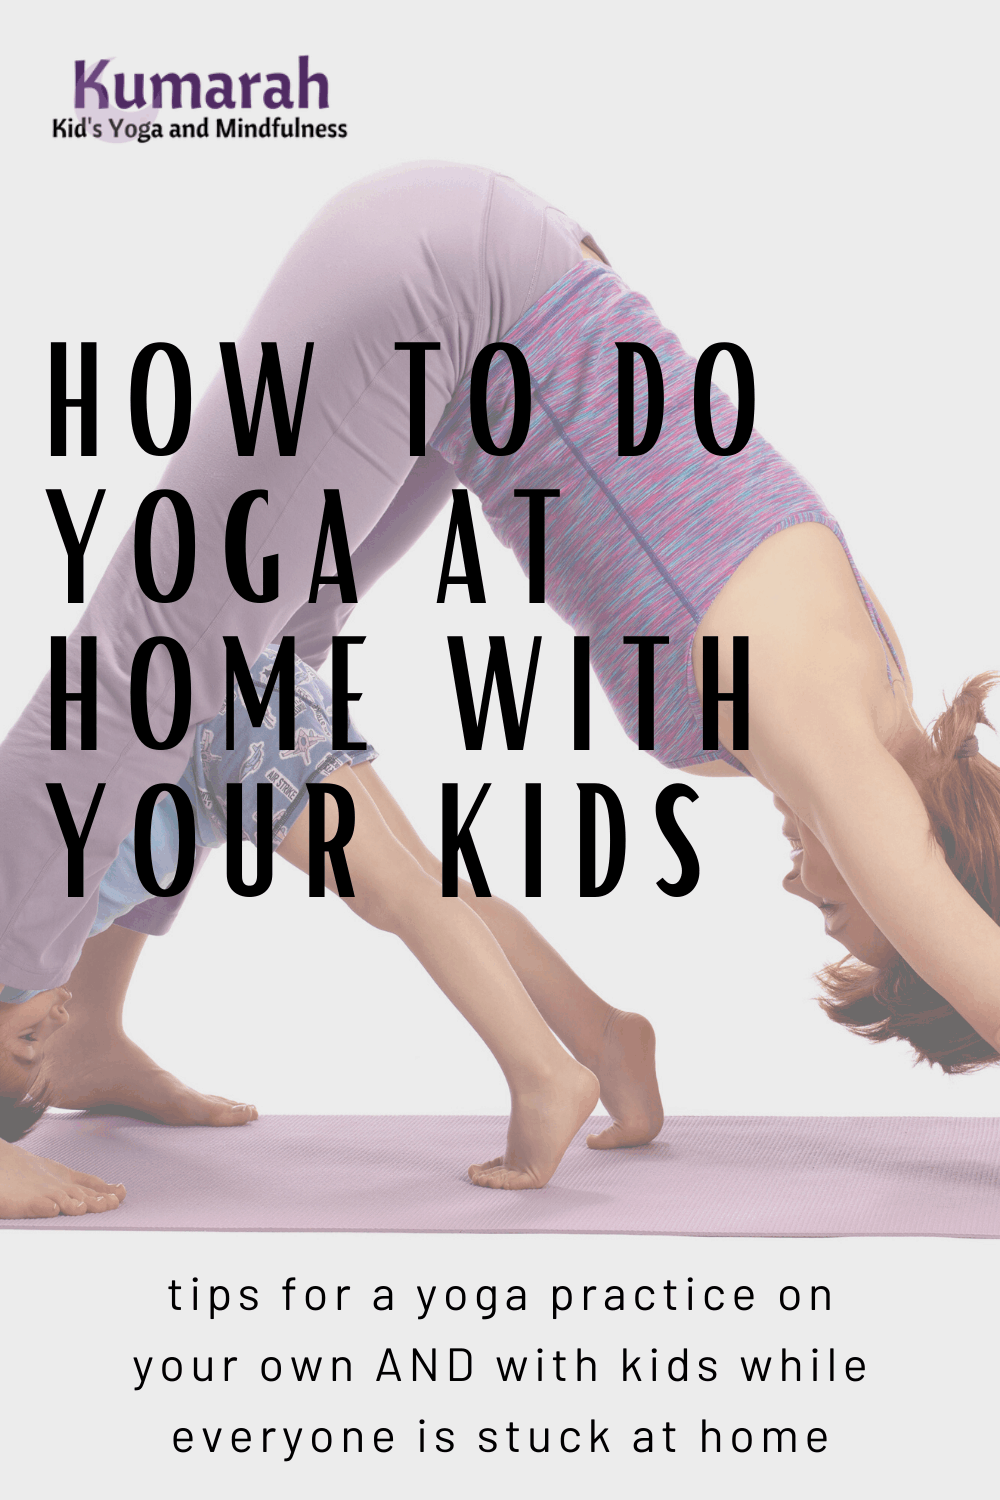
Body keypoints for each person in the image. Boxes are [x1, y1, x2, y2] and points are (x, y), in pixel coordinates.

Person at [2, 160, 998, 1201]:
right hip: (462, 291)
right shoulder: (843, 748)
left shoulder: (870, 687)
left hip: (491, 320)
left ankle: (88, 1034)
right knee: (138, 669)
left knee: (238, 672)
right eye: (842, 918)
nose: (803, 888)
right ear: (927, 875)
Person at [0, 644, 663, 1218]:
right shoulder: (46, 941)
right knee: (430, 883)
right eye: (42, 1044)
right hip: (233, 715)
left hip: (226, 726)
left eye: (29, 1035)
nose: (53, 1017)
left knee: (399, 897)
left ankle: (543, 1073)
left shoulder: (17, 922)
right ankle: (600, 1032)